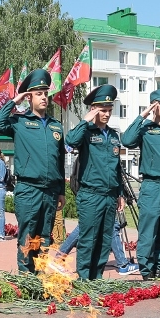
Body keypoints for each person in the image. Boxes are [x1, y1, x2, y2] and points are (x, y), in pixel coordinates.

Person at [0, 69, 66, 273]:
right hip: (29, 189)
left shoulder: (56, 126)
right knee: (28, 236)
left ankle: (40, 276)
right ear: (29, 97)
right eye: (38, 94)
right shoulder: (19, 122)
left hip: (49, 192)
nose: (43, 97)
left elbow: (59, 161)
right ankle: (26, 278)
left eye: (45, 93)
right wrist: (15, 101)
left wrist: (61, 191)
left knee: (44, 237)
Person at [121, 88, 160, 280]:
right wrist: (143, 114)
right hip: (153, 186)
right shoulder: (146, 128)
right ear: (154, 105)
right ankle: (146, 269)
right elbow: (126, 140)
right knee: (148, 230)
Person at [64, 85, 123, 280]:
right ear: (93, 110)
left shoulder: (114, 136)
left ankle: (96, 277)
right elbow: (70, 141)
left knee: (105, 239)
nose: (106, 114)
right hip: (90, 194)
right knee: (88, 238)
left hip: (109, 195)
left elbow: (116, 168)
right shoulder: (86, 132)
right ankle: (83, 278)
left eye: (109, 110)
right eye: (102, 110)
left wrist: (119, 194)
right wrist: (85, 120)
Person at [57, 217, 138, 275]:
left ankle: (123, 263)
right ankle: (123, 264)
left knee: (110, 224)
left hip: (92, 197)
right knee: (109, 223)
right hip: (95, 197)